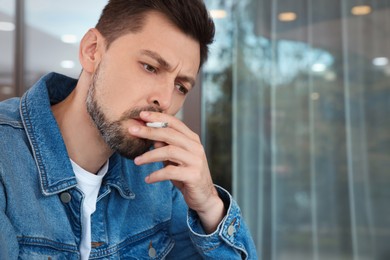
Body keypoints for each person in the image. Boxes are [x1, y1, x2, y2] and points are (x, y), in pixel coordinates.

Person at [0, 0, 258, 259]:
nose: (165, 101)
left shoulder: (157, 172)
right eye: (150, 67)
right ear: (92, 51)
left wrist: (209, 205)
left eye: (180, 86)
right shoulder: (5, 157)